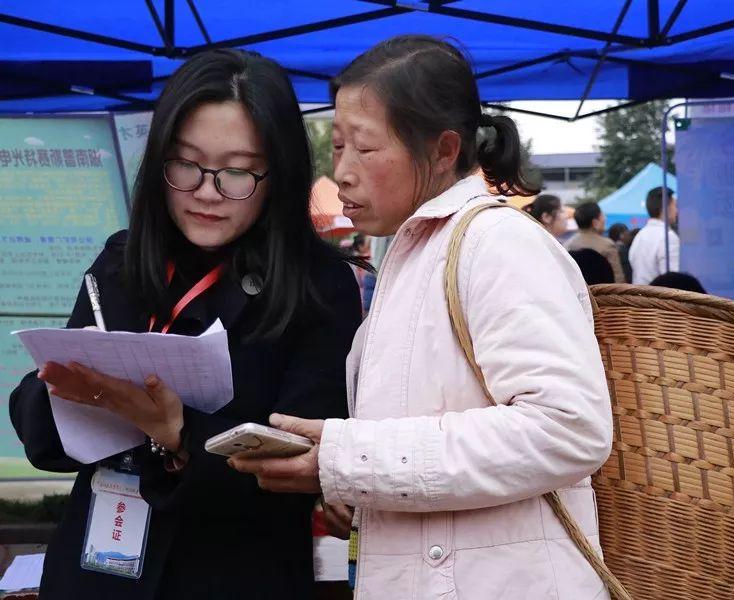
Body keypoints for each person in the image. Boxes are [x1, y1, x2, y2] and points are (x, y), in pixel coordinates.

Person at [229, 35, 613, 600]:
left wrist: (348, 459)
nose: (344, 173)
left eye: (364, 147)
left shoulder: (498, 242)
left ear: (442, 150)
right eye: (337, 148)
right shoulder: (411, 255)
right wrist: (350, 481)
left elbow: (568, 428)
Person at [9, 49, 362, 600]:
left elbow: (298, 471)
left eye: (238, 171)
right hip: (96, 575)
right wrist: (59, 391)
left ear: (279, 174)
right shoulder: (121, 264)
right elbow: (42, 442)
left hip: (236, 576)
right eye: (186, 163)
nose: (206, 190)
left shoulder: (320, 289)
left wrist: (179, 434)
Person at [628, 186, 680, 284]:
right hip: (659, 297)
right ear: (665, 208)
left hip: (638, 296)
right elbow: (674, 281)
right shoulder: (668, 237)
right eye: (675, 205)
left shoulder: (640, 236)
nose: (677, 211)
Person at [565, 202, 625, 283]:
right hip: (602, 293)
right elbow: (618, 278)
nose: (605, 218)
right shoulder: (607, 245)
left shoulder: (567, 245)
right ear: (595, 223)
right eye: (602, 216)